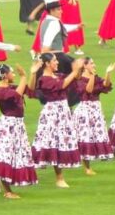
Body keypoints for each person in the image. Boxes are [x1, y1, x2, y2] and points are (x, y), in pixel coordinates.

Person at [30, 53, 82, 188]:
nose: (57, 63)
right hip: (53, 114)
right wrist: (75, 70)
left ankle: (59, 177)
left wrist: (78, 69)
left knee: (60, 142)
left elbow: (73, 80)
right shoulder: (44, 79)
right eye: (54, 61)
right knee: (52, 142)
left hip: (63, 112)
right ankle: (58, 178)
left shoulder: (57, 75)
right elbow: (62, 85)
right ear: (47, 64)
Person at [0, 64, 38, 198]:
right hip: (8, 127)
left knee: (13, 156)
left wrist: (32, 73)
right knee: (5, 156)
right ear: (4, 75)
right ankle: (7, 191)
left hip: (17, 126)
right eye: (11, 72)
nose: (13, 74)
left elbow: (31, 91)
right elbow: (16, 96)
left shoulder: (11, 87)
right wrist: (23, 76)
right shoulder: (0, 91)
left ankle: (6, 188)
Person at [71, 57, 115, 176]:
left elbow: (105, 85)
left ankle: (92, 160)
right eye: (91, 63)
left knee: (95, 136)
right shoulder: (79, 79)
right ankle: (87, 167)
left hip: (96, 110)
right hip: (85, 111)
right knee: (85, 137)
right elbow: (89, 90)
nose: (94, 65)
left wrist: (108, 73)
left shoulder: (95, 77)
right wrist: (92, 76)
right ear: (85, 66)